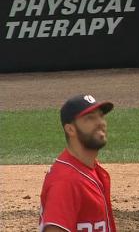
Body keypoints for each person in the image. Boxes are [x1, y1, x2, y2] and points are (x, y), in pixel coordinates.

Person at [39, 94, 116, 232]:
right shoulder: (66, 180)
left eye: (101, 116)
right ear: (70, 129)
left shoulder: (91, 170)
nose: (100, 122)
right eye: (90, 118)